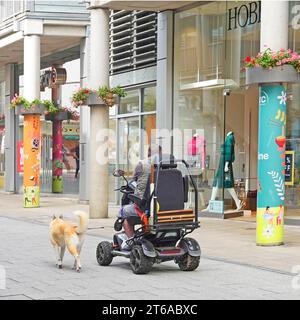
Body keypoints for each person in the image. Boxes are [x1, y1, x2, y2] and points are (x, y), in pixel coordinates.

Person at [118, 144, 162, 247]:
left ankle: (132, 242)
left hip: (147, 207)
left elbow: (135, 180)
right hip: (165, 208)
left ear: (148, 153)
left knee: (123, 213)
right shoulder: (168, 167)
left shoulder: (142, 165)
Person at [202, 131, 242, 212]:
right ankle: (211, 205)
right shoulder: (229, 138)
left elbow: (228, 152)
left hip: (224, 164)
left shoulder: (229, 138)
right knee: (217, 183)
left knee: (227, 184)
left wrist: (226, 165)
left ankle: (237, 202)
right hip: (223, 164)